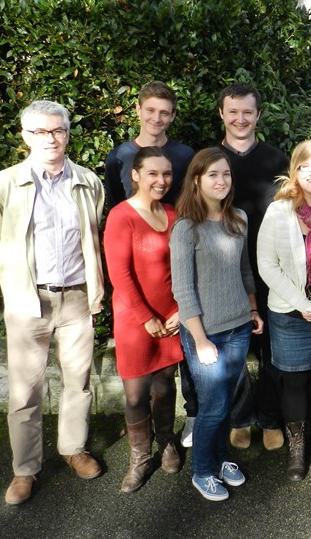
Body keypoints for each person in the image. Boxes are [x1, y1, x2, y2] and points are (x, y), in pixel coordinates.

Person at [0, 100, 105, 505]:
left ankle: (72, 448)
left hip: (77, 299)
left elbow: (94, 236)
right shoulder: (3, 184)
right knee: (25, 391)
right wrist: (17, 281)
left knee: (77, 382)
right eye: (40, 132)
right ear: (24, 136)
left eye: (58, 130)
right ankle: (25, 470)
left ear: (69, 133)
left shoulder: (88, 182)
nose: (50, 139)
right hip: (28, 302)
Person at [170, 147, 264, 502]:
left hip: (239, 327)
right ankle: (202, 471)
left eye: (225, 174)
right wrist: (200, 338)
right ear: (196, 180)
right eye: (212, 175)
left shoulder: (238, 217)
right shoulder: (185, 228)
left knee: (226, 403)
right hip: (203, 333)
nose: (221, 180)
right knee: (213, 406)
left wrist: (253, 311)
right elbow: (182, 288)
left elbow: (243, 271)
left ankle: (222, 459)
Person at [257, 140, 311, 481]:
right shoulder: (278, 210)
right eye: (306, 166)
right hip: (288, 312)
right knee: (293, 381)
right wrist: (304, 305)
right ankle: (298, 447)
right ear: (295, 170)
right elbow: (267, 265)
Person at [104, 147, 183, 492]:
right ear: (135, 175)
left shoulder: (173, 213)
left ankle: (166, 441)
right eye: (152, 173)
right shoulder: (122, 216)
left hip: (171, 317)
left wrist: (182, 308)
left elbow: (183, 266)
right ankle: (139, 456)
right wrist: (144, 316)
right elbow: (119, 273)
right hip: (134, 318)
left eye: (166, 174)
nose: (161, 180)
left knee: (165, 388)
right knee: (136, 395)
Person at [217, 82, 290, 452]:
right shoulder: (211, 162)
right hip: (226, 271)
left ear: (258, 114)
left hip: (271, 271)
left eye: (247, 111)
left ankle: (271, 418)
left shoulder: (277, 160)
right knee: (233, 353)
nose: (240, 118)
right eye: (233, 111)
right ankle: (241, 418)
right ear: (222, 115)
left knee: (272, 351)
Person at [104, 81, 195, 209]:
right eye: (150, 110)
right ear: (138, 110)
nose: (156, 119)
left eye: (164, 113)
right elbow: (115, 207)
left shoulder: (186, 156)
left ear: (172, 116)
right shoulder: (118, 158)